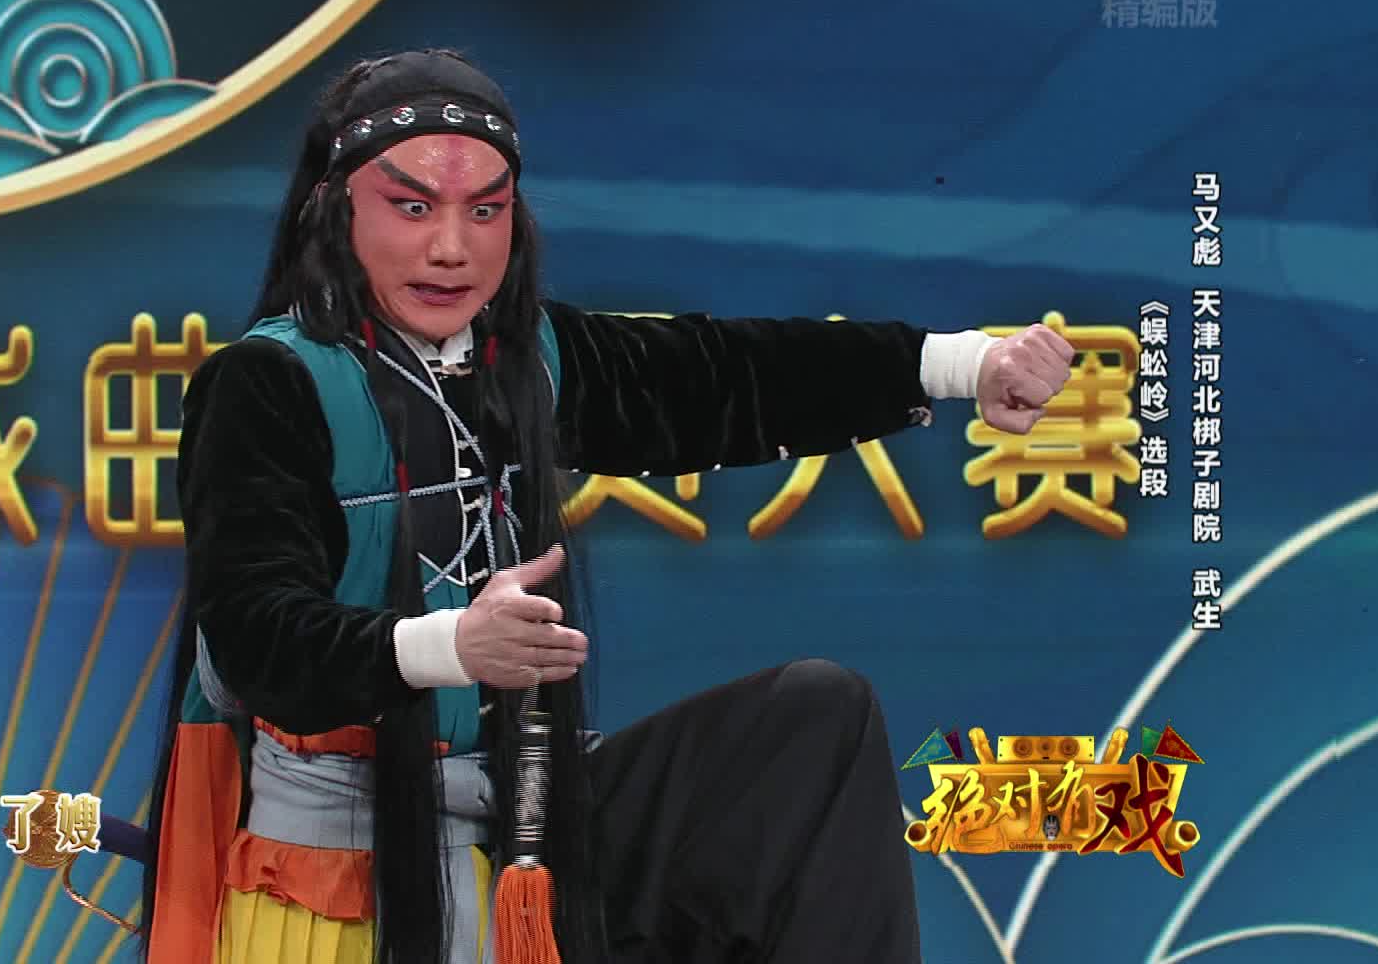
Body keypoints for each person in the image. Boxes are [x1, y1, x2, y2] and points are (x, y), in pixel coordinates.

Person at [139, 48, 1075, 964]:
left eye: (485, 210)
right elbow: (257, 635)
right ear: (332, 209)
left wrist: (964, 363)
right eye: (412, 207)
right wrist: (450, 646)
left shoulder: (524, 358)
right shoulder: (267, 383)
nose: (452, 248)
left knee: (813, 724)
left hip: (530, 819)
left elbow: (725, 377)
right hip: (351, 862)